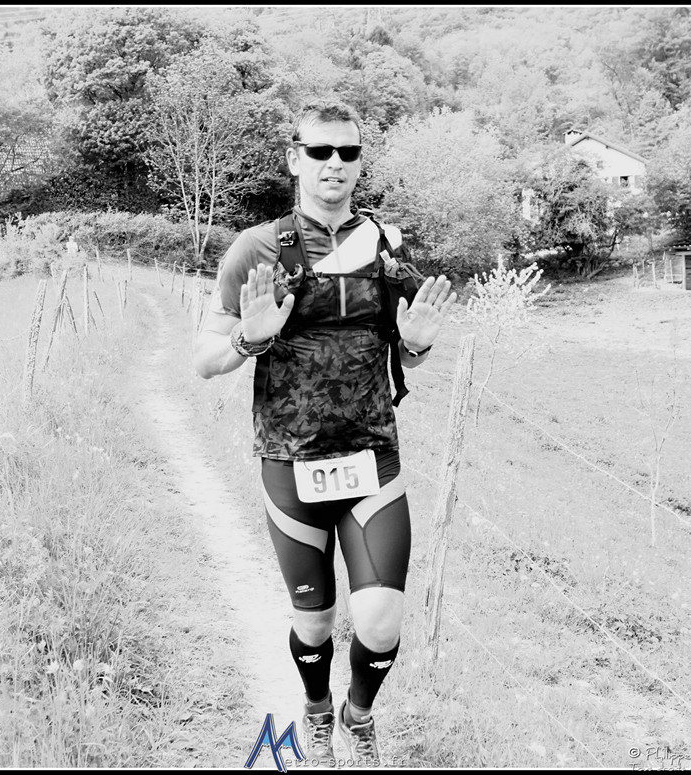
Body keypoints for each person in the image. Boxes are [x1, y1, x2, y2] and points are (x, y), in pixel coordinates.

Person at [194, 100, 456, 767]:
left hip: (373, 458)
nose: (334, 164)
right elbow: (204, 359)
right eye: (320, 151)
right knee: (313, 622)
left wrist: (418, 345)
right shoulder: (256, 249)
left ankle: (358, 715)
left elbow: (408, 352)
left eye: (348, 152)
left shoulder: (388, 248)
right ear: (295, 159)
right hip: (290, 461)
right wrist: (248, 337)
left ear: (360, 162)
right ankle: (316, 707)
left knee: (380, 621)